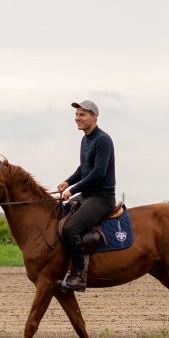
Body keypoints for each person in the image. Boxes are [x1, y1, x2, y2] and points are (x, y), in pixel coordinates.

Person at [56, 99, 117, 292]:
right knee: (59, 215)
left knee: (70, 228)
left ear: (94, 117)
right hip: (88, 195)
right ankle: (64, 268)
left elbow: (98, 173)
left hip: (102, 198)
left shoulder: (102, 140)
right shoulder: (86, 139)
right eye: (76, 115)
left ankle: (79, 276)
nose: (77, 118)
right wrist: (68, 181)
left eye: (82, 114)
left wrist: (72, 190)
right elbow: (84, 168)